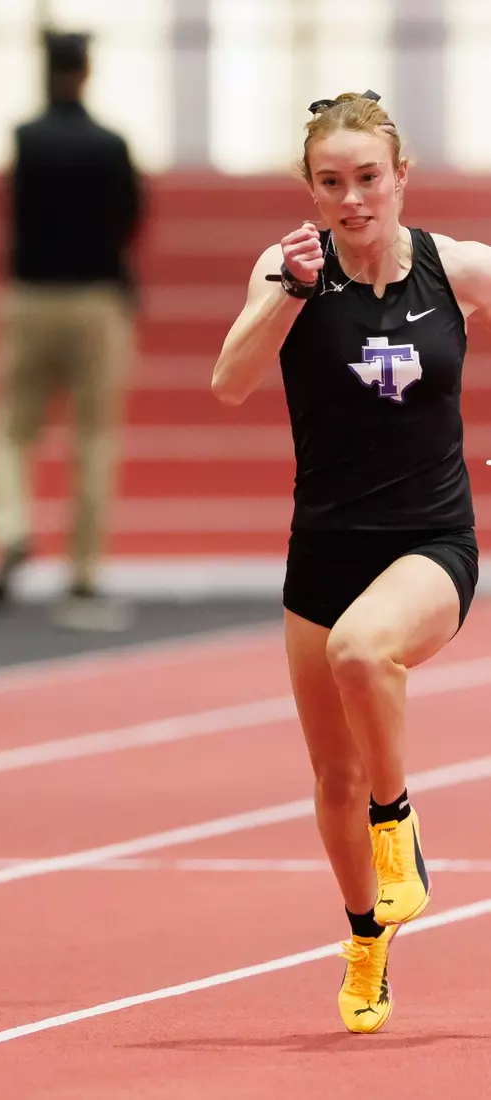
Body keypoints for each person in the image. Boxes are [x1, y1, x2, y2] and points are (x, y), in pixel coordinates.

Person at [211, 90, 486, 1033]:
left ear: (401, 178)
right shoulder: (290, 270)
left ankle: (398, 821)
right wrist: (284, 294)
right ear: (311, 189)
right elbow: (231, 384)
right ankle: (366, 934)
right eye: (332, 183)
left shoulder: (455, 269)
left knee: (364, 652)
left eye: (369, 179)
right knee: (329, 774)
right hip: (324, 546)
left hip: (431, 545)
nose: (353, 200)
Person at [0, 30, 141, 631]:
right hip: (97, 299)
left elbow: (15, 214)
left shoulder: (26, 141)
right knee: (94, 438)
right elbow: (130, 220)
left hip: (31, 297)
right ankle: (84, 573)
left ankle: (12, 525)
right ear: (86, 74)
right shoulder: (112, 145)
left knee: (9, 427)